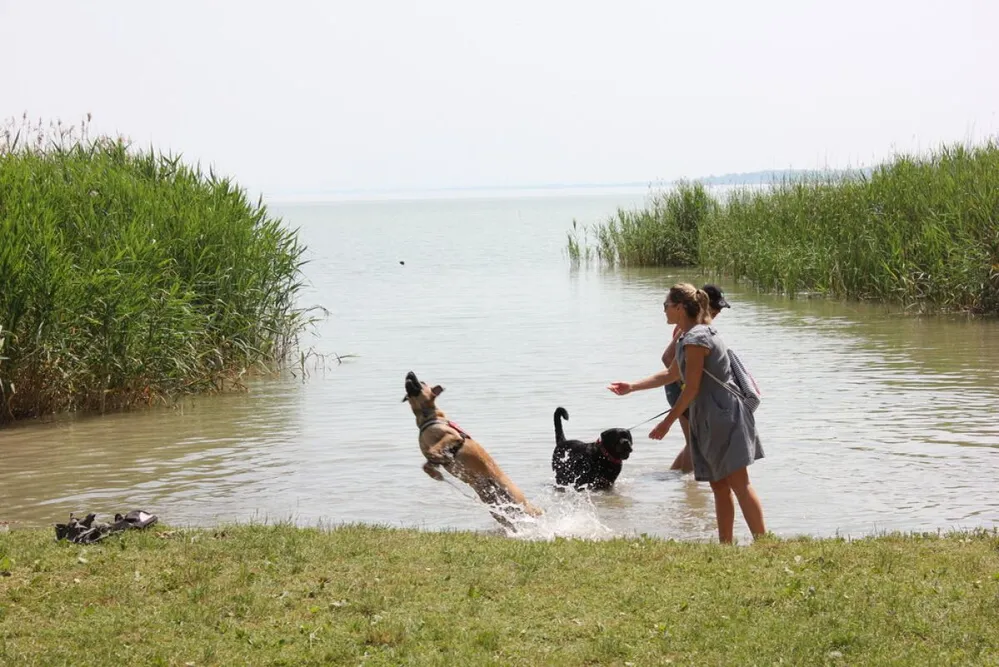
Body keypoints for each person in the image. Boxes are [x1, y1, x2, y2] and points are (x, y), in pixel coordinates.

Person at [608, 283, 766, 544]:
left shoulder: (697, 339)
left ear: (680, 307)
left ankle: (764, 543)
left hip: (723, 416)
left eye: (666, 306)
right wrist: (632, 387)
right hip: (710, 416)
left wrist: (667, 423)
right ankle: (725, 545)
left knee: (739, 482)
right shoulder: (688, 336)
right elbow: (672, 373)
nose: (664, 311)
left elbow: (691, 387)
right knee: (718, 485)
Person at [662, 284, 730, 473]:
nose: (717, 313)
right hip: (680, 388)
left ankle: (671, 478)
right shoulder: (690, 330)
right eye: (716, 308)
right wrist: (688, 385)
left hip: (683, 386)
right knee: (694, 443)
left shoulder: (699, 329)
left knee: (692, 443)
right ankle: (687, 488)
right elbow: (667, 358)